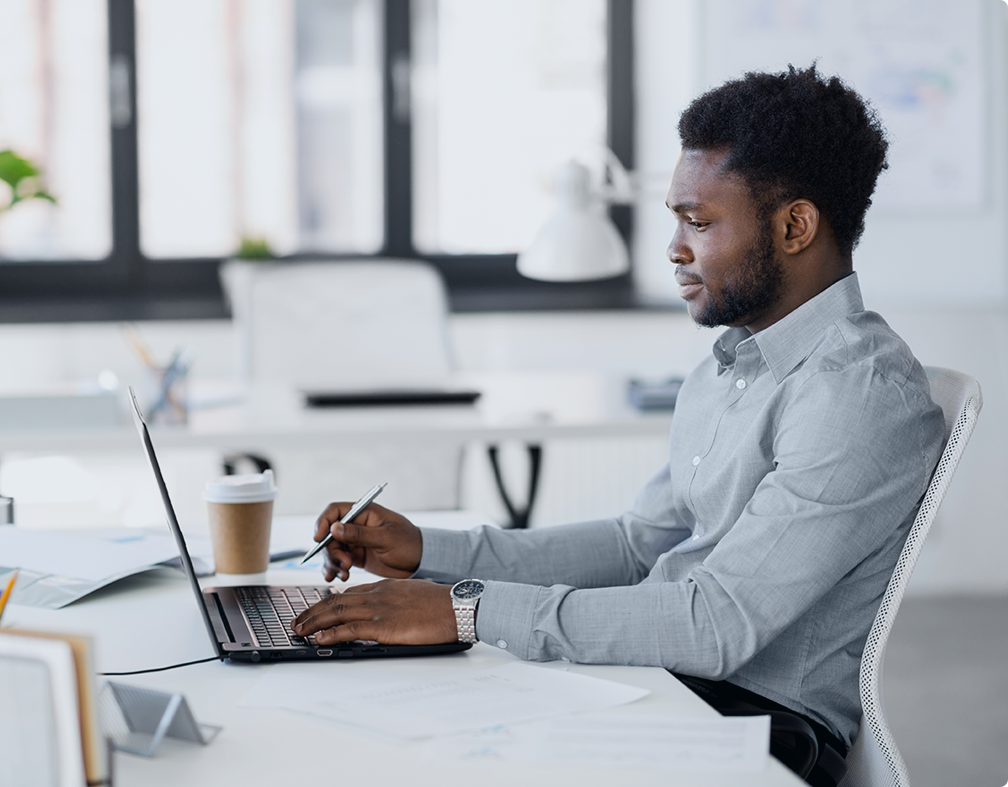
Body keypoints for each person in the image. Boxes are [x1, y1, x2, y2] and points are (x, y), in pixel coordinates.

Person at [292, 65, 944, 786]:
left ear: (795, 225)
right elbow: (639, 546)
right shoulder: (730, 365)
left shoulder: (858, 395)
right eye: (675, 218)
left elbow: (717, 625)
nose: (673, 247)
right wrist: (430, 552)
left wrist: (465, 608)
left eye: (698, 222)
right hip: (663, 682)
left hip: (753, 730)